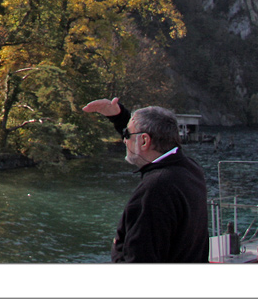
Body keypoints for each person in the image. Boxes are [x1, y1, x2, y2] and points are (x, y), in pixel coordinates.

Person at [83, 97, 209, 262]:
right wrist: (119, 116)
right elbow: (144, 134)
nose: (123, 139)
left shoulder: (155, 188)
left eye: (126, 134)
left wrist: (117, 250)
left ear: (144, 141)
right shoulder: (190, 168)